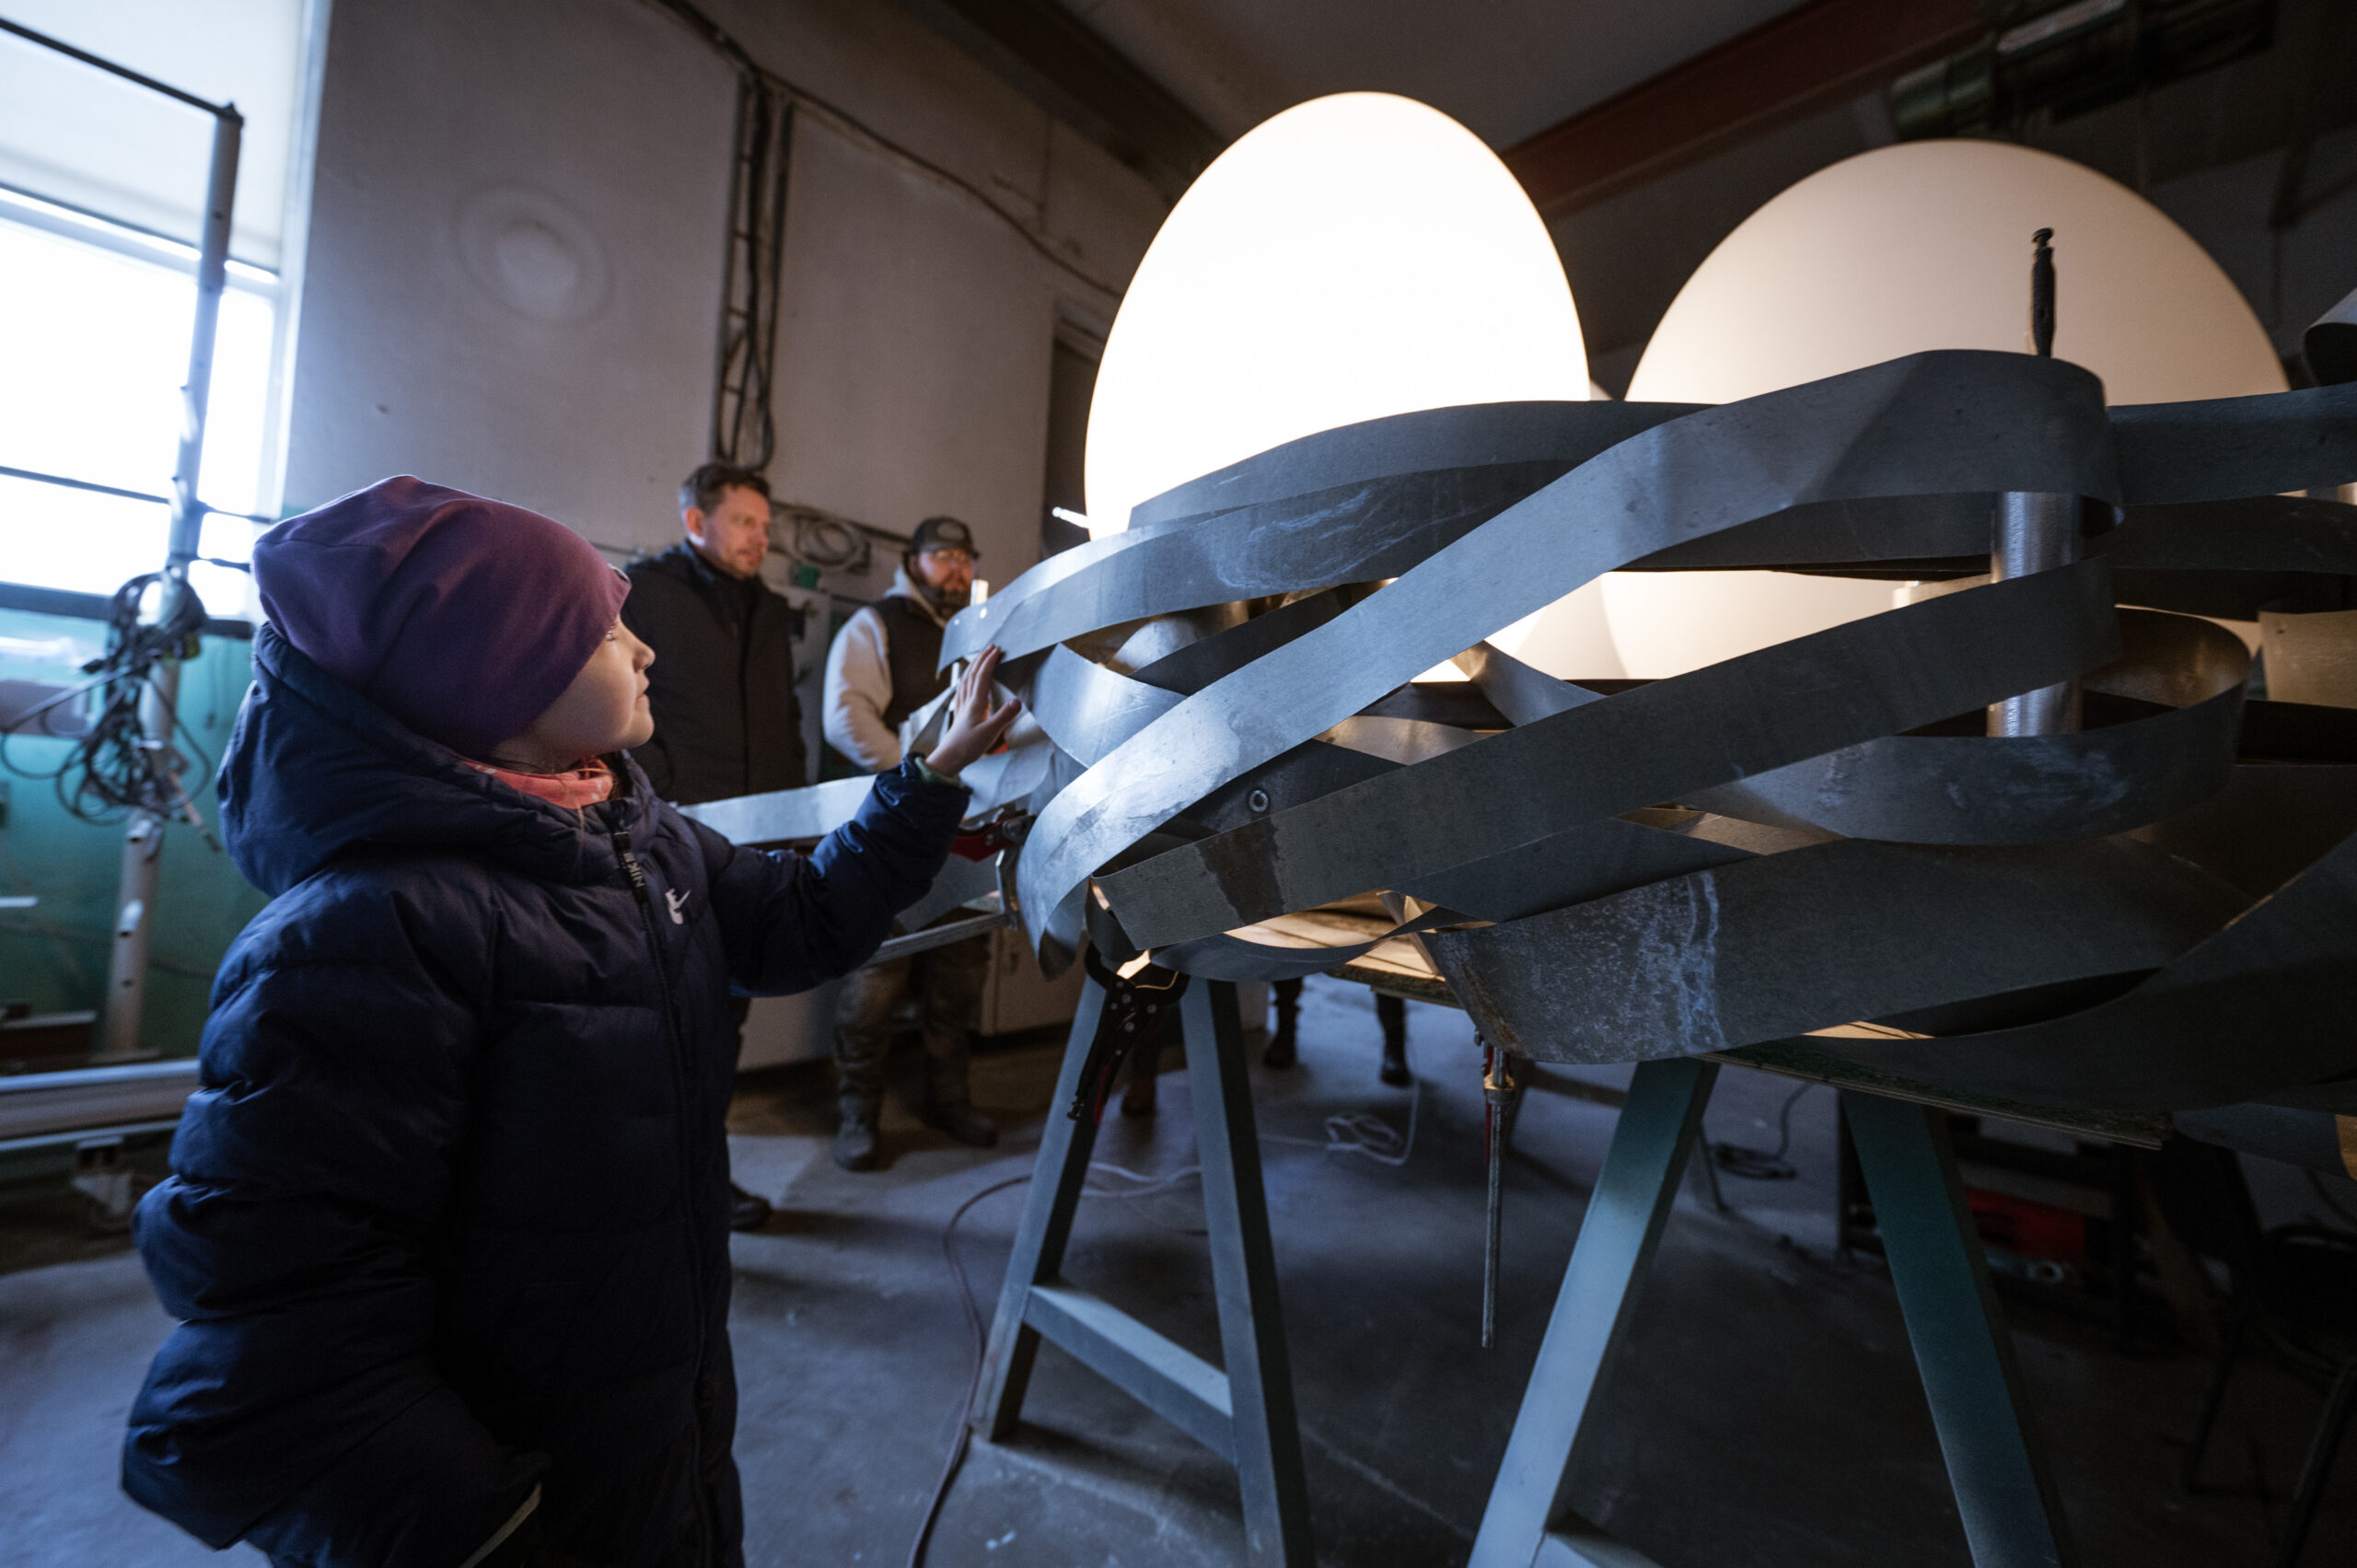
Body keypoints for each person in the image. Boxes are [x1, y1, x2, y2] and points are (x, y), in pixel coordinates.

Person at [121, 477, 1019, 1568]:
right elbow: (284, 1339)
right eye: (603, 631)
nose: (643, 652)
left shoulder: (639, 838)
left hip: (657, 1424)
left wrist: (925, 778)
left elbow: (799, 922)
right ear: (494, 675)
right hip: (515, 1498)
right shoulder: (364, 935)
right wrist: (485, 1530)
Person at [623, 463, 809, 1230]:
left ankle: (703, 1179)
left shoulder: (767, 608)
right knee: (653, 1010)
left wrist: (793, 810)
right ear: (696, 522)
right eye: (743, 522)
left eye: (764, 525)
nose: (759, 538)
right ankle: (643, 1182)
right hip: (669, 831)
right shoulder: (647, 591)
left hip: (755, 839)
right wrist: (663, 780)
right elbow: (616, 697)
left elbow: (782, 716)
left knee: (724, 1013)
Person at [820, 515, 994, 1169]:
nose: (956, 567)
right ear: (912, 560)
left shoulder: (982, 632)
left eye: (964, 555)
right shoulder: (877, 625)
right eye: (943, 555)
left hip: (967, 833)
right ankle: (857, 1114)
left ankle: (949, 1100)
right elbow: (845, 718)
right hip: (894, 832)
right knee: (876, 978)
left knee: (959, 977)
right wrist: (921, 778)